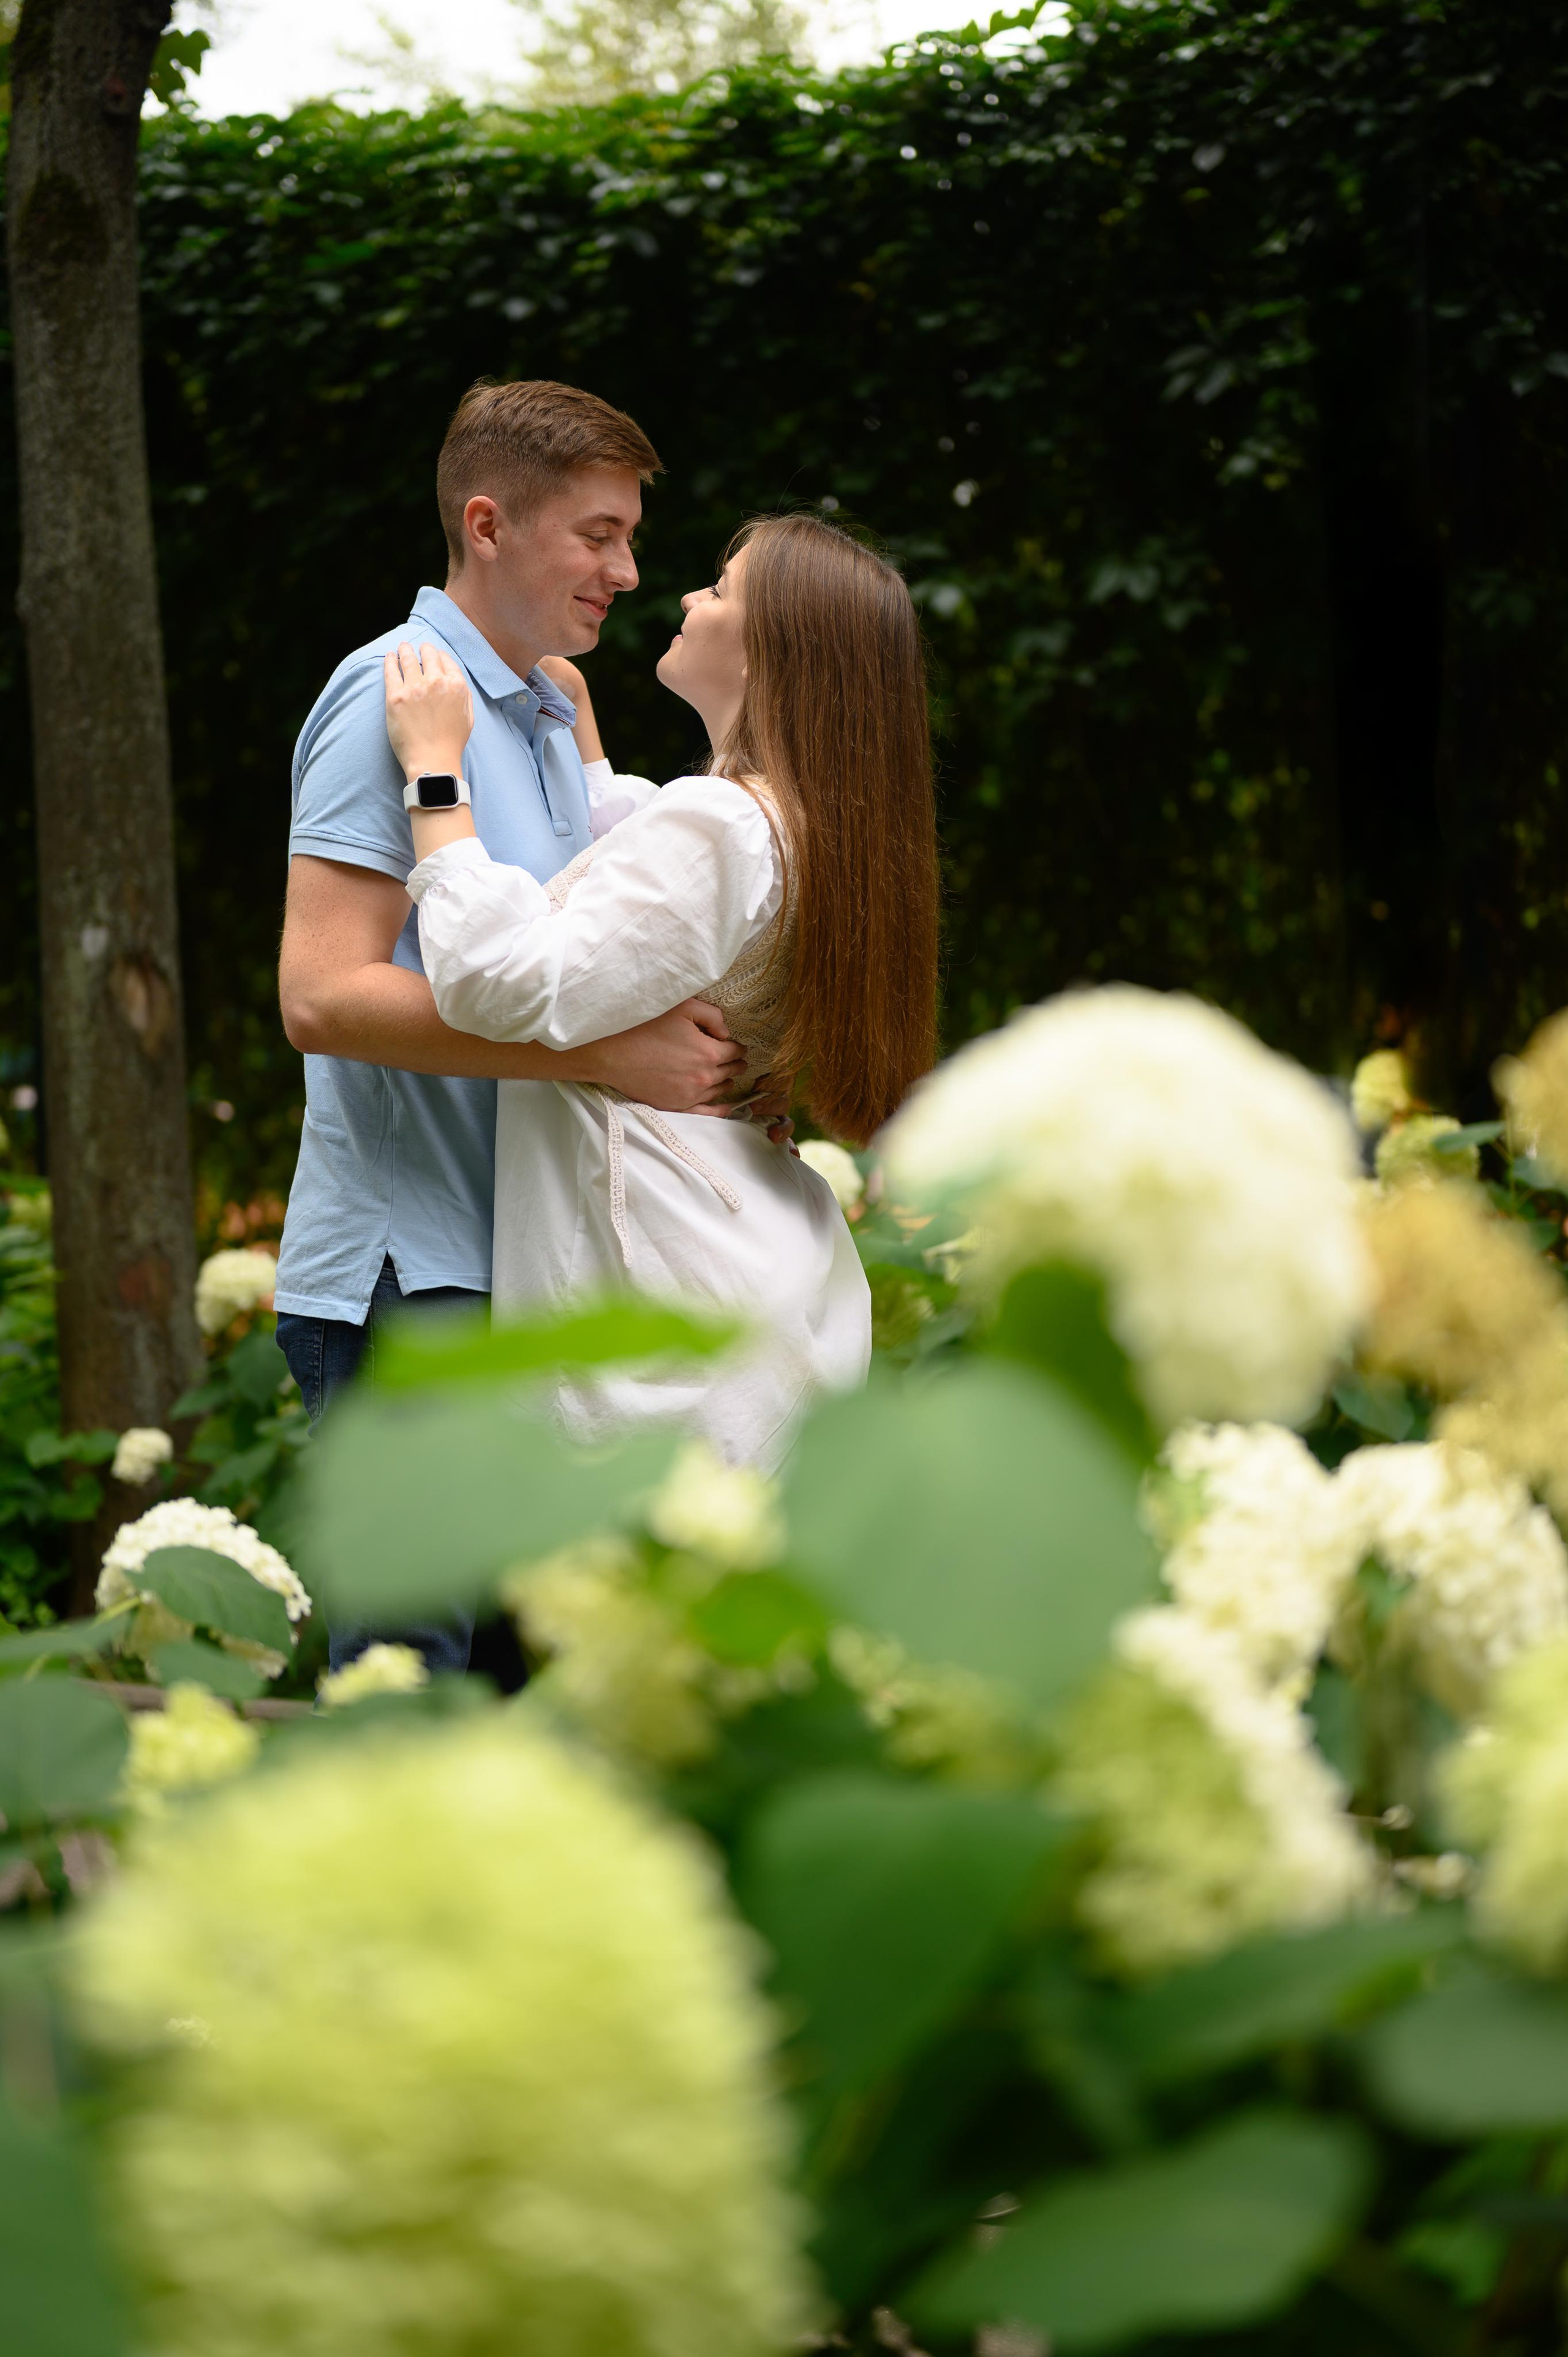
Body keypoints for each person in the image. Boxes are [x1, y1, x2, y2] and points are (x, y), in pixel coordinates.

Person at [272, 379, 751, 1672]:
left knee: (511, 1701)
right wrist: (596, 1056)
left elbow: (542, 968)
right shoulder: (389, 692)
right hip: (412, 1279)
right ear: (487, 525)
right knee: (408, 1695)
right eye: (598, 535)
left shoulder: (541, 713)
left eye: (630, 538)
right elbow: (319, 993)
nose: (628, 570)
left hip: (529, 1271)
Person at [384, 511, 941, 1469]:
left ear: (773, 655)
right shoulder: (803, 830)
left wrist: (437, 776)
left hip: (671, 1307)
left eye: (722, 589)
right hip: (746, 1278)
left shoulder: (725, 826)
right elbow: (649, 889)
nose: (687, 596)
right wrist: (585, 740)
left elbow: (493, 978)